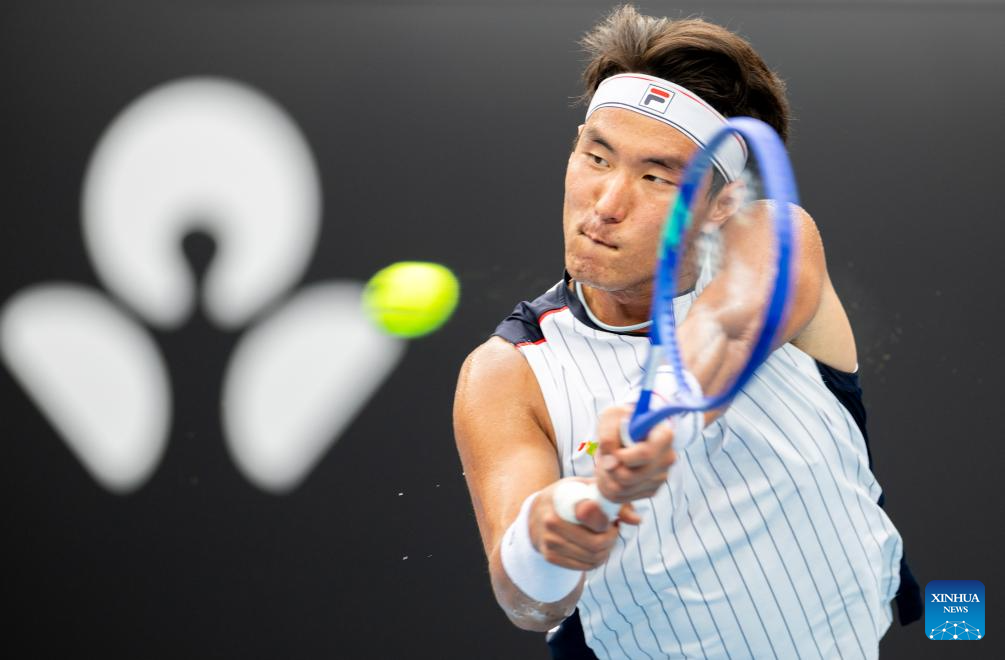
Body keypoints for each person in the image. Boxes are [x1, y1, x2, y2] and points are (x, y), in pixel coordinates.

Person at [453, 5, 920, 658]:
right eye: (596, 157)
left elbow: (726, 328)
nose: (606, 204)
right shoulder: (506, 373)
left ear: (722, 201)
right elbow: (525, 602)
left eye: (655, 177)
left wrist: (661, 414)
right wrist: (548, 535)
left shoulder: (773, 238)